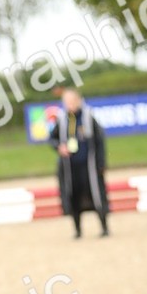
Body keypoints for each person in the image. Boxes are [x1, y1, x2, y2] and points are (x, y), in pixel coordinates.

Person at [48, 87, 109, 238]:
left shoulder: (88, 117)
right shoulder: (62, 120)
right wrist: (59, 147)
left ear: (79, 100)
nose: (69, 104)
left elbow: (100, 141)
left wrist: (101, 163)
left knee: (96, 196)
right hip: (70, 167)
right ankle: (77, 230)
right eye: (66, 101)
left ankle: (104, 227)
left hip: (89, 167)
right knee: (73, 197)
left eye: (72, 101)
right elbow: (52, 139)